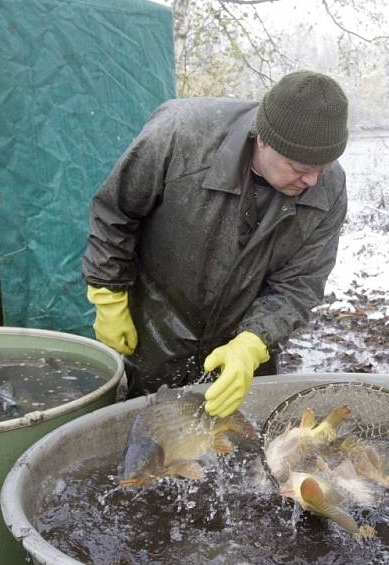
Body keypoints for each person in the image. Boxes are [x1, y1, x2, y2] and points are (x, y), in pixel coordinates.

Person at [82, 70, 349, 417]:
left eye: (323, 168)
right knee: (150, 435)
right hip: (158, 322)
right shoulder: (179, 136)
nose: (312, 180)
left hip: (244, 336)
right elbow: (116, 210)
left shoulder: (328, 189)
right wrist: (108, 293)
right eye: (298, 168)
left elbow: (300, 284)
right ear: (263, 139)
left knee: (239, 438)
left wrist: (253, 343)